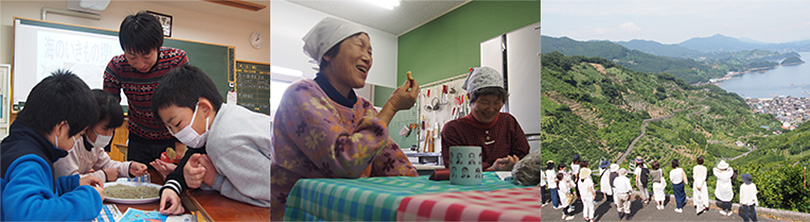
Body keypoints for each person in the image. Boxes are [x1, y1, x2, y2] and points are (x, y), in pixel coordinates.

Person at [271, 17, 418, 220]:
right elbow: (345, 162)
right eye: (360, 47)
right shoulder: (300, 94)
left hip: (346, 212)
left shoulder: (364, 107)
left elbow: (394, 163)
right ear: (329, 53)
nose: (367, 57)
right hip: (302, 214)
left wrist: (424, 189)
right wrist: (391, 106)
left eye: (370, 52)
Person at [152, 64, 272, 214]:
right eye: (169, 128)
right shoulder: (227, 115)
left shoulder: (223, 142)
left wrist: (215, 181)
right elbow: (194, 153)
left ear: (204, 108)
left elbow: (273, 195)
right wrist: (174, 184)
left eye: (177, 124)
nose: (176, 133)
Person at [0, 70, 104, 220]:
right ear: (61, 128)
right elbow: (28, 215)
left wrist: (71, 184)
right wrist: (89, 200)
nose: (76, 141)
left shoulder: (17, 145)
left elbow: (39, 190)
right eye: (79, 135)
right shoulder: (29, 162)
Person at [103, 11, 188, 166]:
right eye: (132, 57)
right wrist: (102, 148)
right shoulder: (116, 67)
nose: (140, 64)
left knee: (170, 183)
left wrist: (181, 142)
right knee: (136, 184)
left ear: (158, 46)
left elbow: (185, 105)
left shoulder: (176, 61)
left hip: (171, 138)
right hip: (138, 139)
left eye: (146, 56)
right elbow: (109, 109)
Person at [441, 66, 529, 171]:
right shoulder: (454, 129)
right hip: (470, 186)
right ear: (469, 98)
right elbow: (458, 168)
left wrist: (514, 162)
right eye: (484, 102)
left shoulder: (509, 121)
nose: (491, 109)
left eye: (497, 102)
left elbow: (523, 154)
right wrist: (492, 169)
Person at [54, 90, 149, 182]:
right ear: (88, 123)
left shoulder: (94, 146)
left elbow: (107, 164)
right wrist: (104, 175)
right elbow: (69, 182)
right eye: (105, 129)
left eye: (113, 131)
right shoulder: (69, 144)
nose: (109, 135)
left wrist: (129, 168)